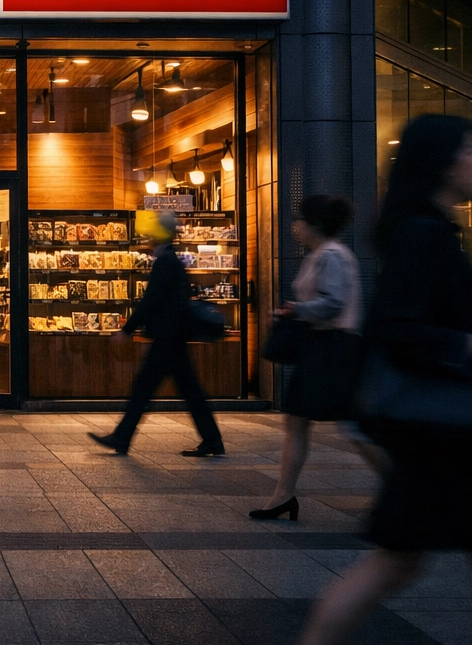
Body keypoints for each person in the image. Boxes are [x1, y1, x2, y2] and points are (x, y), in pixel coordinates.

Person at [298, 114, 472, 645]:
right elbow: (398, 329)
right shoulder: (424, 235)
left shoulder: (426, 232)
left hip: (439, 434)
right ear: (444, 161)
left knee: (410, 563)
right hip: (442, 437)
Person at [251, 195, 362, 521]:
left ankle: (404, 494)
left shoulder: (331, 255)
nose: (294, 225)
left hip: (333, 349)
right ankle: (283, 495)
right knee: (297, 422)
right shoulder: (320, 255)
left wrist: (296, 310)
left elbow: (333, 303)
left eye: (299, 220)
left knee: (354, 427)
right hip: (323, 348)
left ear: (315, 225)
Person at [88, 210, 225, 458]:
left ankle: (122, 436)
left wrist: (127, 329)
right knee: (187, 390)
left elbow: (151, 300)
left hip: (167, 338)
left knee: (145, 387)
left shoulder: (165, 262)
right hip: (173, 337)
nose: (148, 241)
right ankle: (212, 440)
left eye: (151, 235)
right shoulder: (172, 260)